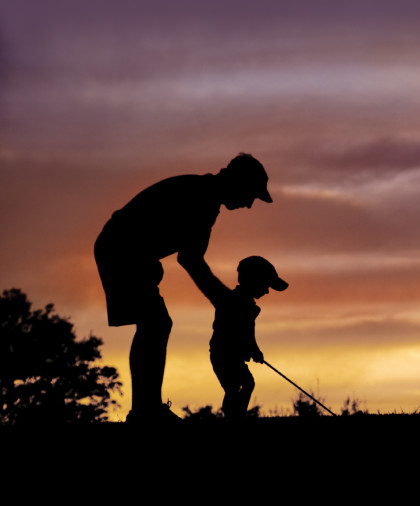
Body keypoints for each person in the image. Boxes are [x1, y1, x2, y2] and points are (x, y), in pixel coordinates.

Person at [94, 153, 272, 424]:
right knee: (155, 323)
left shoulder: (206, 199)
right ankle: (146, 411)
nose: (249, 205)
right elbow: (191, 260)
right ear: (240, 183)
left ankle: (146, 409)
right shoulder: (201, 198)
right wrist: (224, 301)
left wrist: (223, 300)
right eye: (251, 196)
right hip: (120, 250)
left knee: (155, 323)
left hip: (129, 252)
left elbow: (190, 258)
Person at [209, 256, 288, 420]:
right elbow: (244, 334)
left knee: (241, 385)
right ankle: (234, 417)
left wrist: (253, 350)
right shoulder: (239, 303)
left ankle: (235, 416)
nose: (267, 291)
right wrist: (254, 350)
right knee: (239, 385)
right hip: (224, 356)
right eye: (266, 285)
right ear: (254, 281)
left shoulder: (243, 303)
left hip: (225, 355)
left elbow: (246, 335)